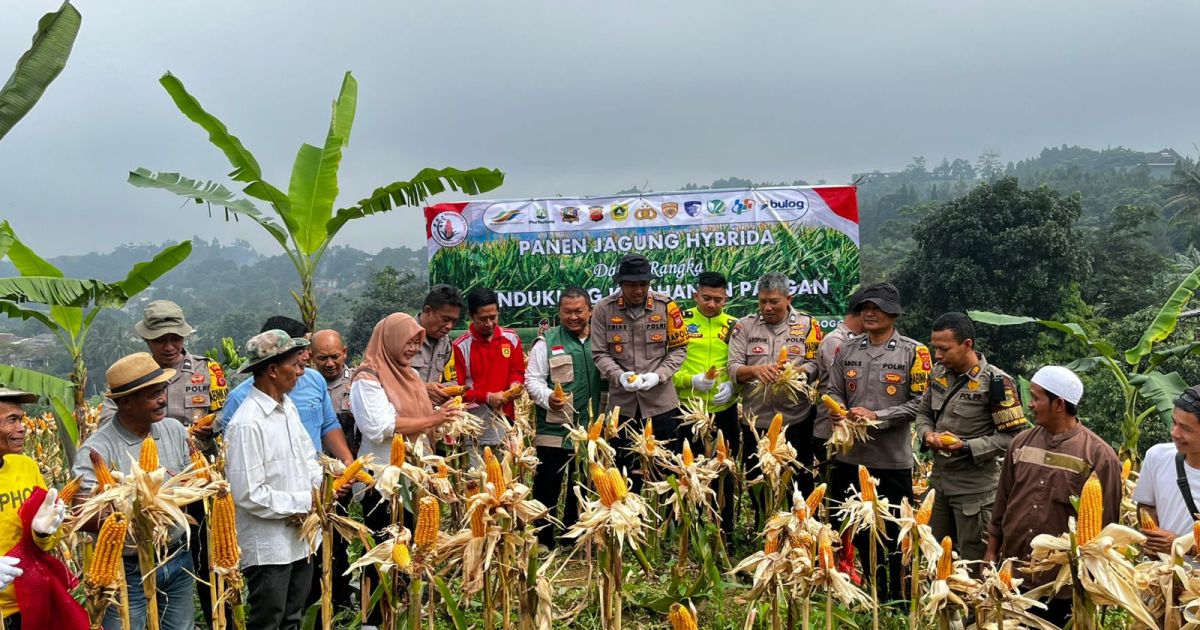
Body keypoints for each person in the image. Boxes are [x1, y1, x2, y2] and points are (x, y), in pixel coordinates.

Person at [985, 365, 1121, 627]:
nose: (1030, 405)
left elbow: (1107, 526)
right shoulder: (1020, 443)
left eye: (1036, 398)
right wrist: (991, 552)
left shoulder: (1099, 456)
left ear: (1058, 404)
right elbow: (1002, 502)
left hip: (1064, 584)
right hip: (1014, 575)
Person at [825, 282, 931, 602]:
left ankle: (893, 597)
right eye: (864, 307)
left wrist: (877, 416)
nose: (869, 312)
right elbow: (833, 390)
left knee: (892, 535)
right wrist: (837, 410)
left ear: (893, 313)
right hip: (849, 459)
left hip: (889, 461)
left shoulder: (914, 352)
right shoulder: (849, 349)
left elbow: (921, 403)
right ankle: (870, 590)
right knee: (854, 531)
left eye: (877, 307)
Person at [73, 353, 196, 630]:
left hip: (177, 556)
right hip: (126, 568)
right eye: (153, 395)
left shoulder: (174, 430)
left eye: (161, 391)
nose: (163, 399)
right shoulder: (97, 449)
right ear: (125, 402)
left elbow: (193, 481)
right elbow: (82, 511)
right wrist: (137, 511)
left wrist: (182, 491)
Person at [350, 313, 451, 628]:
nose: (413, 349)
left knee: (409, 549)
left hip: (411, 479)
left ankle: (402, 609)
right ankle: (373, 618)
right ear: (390, 339)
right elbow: (379, 427)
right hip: (382, 482)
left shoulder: (408, 374)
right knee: (382, 552)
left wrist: (442, 415)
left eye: (417, 343)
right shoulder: (367, 378)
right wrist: (433, 420)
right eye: (408, 342)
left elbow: (417, 414)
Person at [225, 330, 323, 630]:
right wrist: (305, 501)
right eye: (295, 364)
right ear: (272, 370)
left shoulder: (287, 408)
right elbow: (248, 493)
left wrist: (322, 490)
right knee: (268, 621)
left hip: (302, 539)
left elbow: (309, 459)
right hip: (269, 548)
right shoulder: (247, 424)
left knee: (293, 618)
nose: (301, 372)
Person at [913, 313, 1027, 564]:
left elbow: (1013, 438)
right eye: (935, 348)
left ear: (967, 345)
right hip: (939, 485)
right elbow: (922, 413)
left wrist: (964, 446)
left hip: (975, 493)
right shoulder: (939, 374)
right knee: (936, 561)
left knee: (972, 564)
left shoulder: (997, 383)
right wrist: (928, 434)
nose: (937, 356)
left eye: (944, 349)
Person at [591, 254, 690, 483]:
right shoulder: (604, 309)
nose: (638, 291)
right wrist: (619, 376)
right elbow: (599, 353)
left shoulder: (666, 306)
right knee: (625, 478)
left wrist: (659, 375)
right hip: (622, 410)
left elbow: (679, 349)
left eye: (643, 284)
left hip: (661, 406)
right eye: (632, 285)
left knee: (666, 477)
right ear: (620, 284)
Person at [728, 272, 823, 507]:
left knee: (798, 487)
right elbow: (733, 367)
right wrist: (755, 371)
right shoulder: (745, 326)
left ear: (788, 299)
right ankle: (764, 530)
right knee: (757, 485)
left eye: (774, 302)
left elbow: (816, 363)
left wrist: (796, 373)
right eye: (762, 302)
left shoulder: (808, 325)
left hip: (796, 421)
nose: (767, 308)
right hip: (756, 422)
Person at [524, 288, 604, 547]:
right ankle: (543, 539)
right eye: (567, 312)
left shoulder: (601, 340)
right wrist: (548, 397)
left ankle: (573, 536)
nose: (573, 317)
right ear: (559, 312)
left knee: (581, 484)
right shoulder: (545, 342)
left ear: (590, 311)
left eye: (579, 311)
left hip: (590, 431)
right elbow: (533, 380)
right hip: (555, 428)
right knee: (548, 485)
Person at [219, 317, 354, 465]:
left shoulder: (313, 381)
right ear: (273, 368)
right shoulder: (239, 402)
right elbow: (237, 460)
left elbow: (328, 424)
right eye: (299, 352)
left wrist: (347, 461)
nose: (307, 356)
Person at [0, 386, 74, 628]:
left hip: (33, 600)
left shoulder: (26, 467)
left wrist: (42, 534)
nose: (22, 428)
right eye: (11, 420)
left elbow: (47, 540)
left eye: (21, 419)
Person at [673, 272, 739, 536]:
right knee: (687, 471)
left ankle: (725, 528)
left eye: (718, 300)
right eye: (706, 298)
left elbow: (741, 364)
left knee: (725, 470)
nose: (712, 305)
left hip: (724, 410)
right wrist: (691, 381)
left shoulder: (735, 325)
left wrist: (735, 386)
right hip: (688, 410)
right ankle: (684, 528)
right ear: (695, 295)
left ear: (726, 298)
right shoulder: (679, 322)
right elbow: (666, 367)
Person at [100, 300, 228, 429]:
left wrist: (212, 427)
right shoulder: (130, 374)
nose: (169, 347)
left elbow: (224, 412)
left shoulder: (207, 369)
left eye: (175, 339)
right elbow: (107, 420)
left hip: (198, 447)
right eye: (159, 340)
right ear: (146, 339)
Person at [452, 288, 525, 462]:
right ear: (471, 315)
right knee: (478, 480)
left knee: (506, 477)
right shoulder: (460, 346)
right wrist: (487, 397)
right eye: (483, 319)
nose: (489, 323)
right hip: (476, 425)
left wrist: (516, 384)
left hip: (506, 421)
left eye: (493, 317)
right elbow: (457, 390)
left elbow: (517, 370)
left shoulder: (511, 338)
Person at [1133, 384, 1200, 556]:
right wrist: (1154, 536)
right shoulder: (1157, 456)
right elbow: (1146, 504)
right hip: (1160, 575)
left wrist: (1182, 545)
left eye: (1185, 428)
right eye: (1174, 422)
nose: (1174, 433)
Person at [812, 290, 864, 476]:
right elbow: (843, 385)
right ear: (862, 313)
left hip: (848, 431)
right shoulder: (836, 341)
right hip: (831, 433)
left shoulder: (858, 341)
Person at [413, 285, 464, 404]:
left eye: (454, 321)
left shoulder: (445, 343)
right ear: (428, 311)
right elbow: (381, 381)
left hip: (430, 414)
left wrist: (444, 390)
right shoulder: (401, 335)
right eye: (445, 319)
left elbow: (452, 380)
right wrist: (421, 389)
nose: (450, 326)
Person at [312, 329, 357, 455]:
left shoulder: (358, 382)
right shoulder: (305, 387)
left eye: (335, 356)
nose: (330, 363)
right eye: (322, 358)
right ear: (311, 356)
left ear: (344, 352)